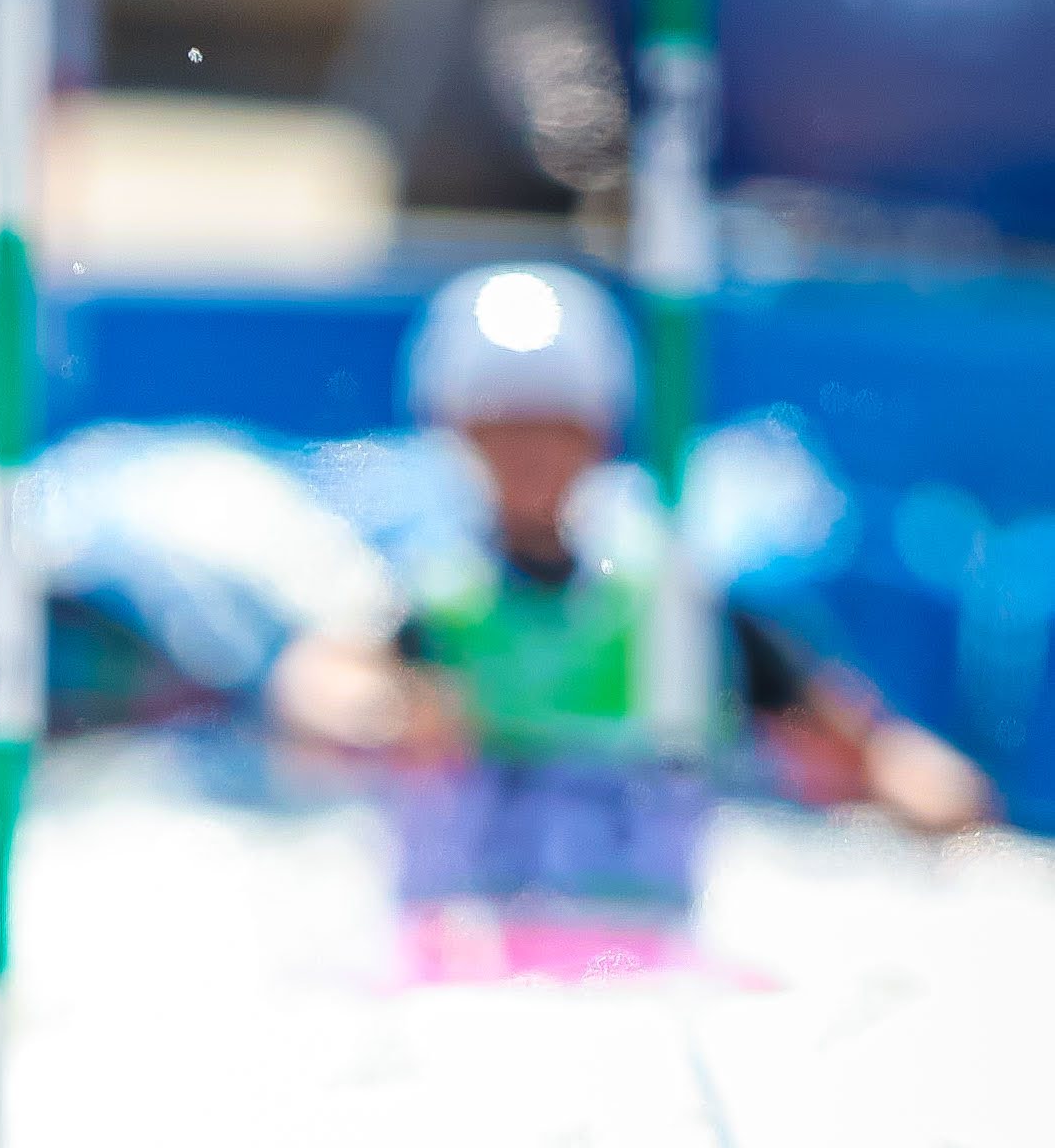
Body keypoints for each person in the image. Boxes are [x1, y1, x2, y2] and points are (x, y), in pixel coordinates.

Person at [270, 263, 989, 925]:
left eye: (554, 429)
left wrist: (922, 792)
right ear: (457, 433)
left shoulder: (679, 612)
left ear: (600, 434)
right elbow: (314, 684)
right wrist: (386, 716)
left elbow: (873, 746)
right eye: (503, 430)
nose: (530, 456)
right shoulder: (425, 602)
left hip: (639, 966)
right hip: (464, 953)